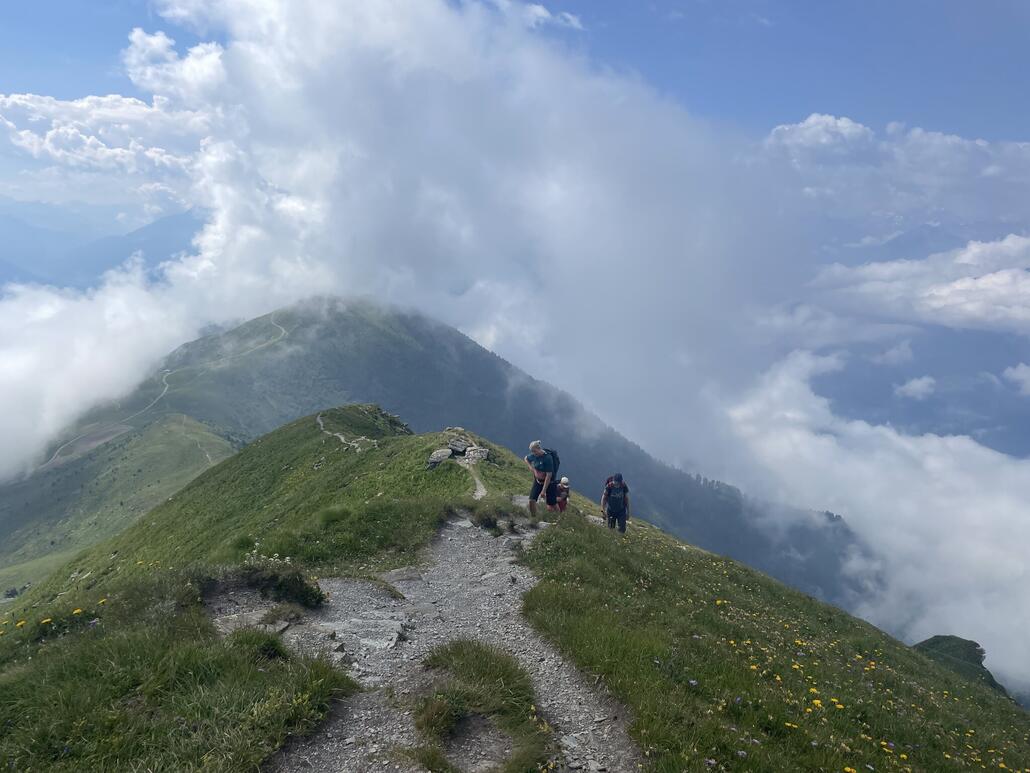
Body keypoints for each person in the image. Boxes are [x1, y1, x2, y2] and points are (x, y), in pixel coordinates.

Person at [524, 440, 557, 517]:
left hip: (549, 483)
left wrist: (543, 491)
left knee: (552, 503)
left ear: (539, 448)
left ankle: (559, 517)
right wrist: (531, 467)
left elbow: (549, 476)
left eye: (534, 451)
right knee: (531, 500)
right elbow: (526, 458)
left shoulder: (547, 458)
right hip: (538, 481)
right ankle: (533, 517)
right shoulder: (534, 455)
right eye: (532, 451)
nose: (533, 453)